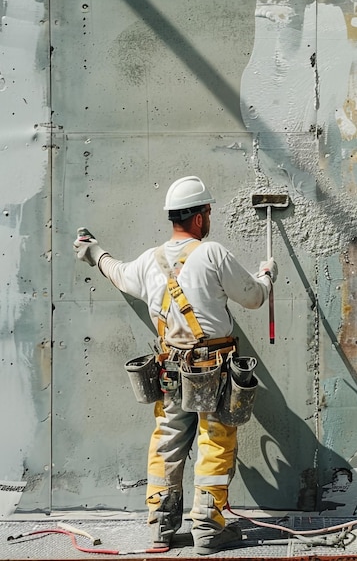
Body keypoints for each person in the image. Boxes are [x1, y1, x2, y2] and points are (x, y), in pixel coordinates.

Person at [73, 176, 277, 555]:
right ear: (200, 218)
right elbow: (252, 298)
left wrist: (95, 252)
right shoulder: (212, 253)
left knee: (167, 441)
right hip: (213, 369)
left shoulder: (150, 261)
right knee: (215, 441)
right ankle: (208, 528)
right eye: (209, 211)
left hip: (170, 369)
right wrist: (266, 276)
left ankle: (161, 527)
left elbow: (118, 273)